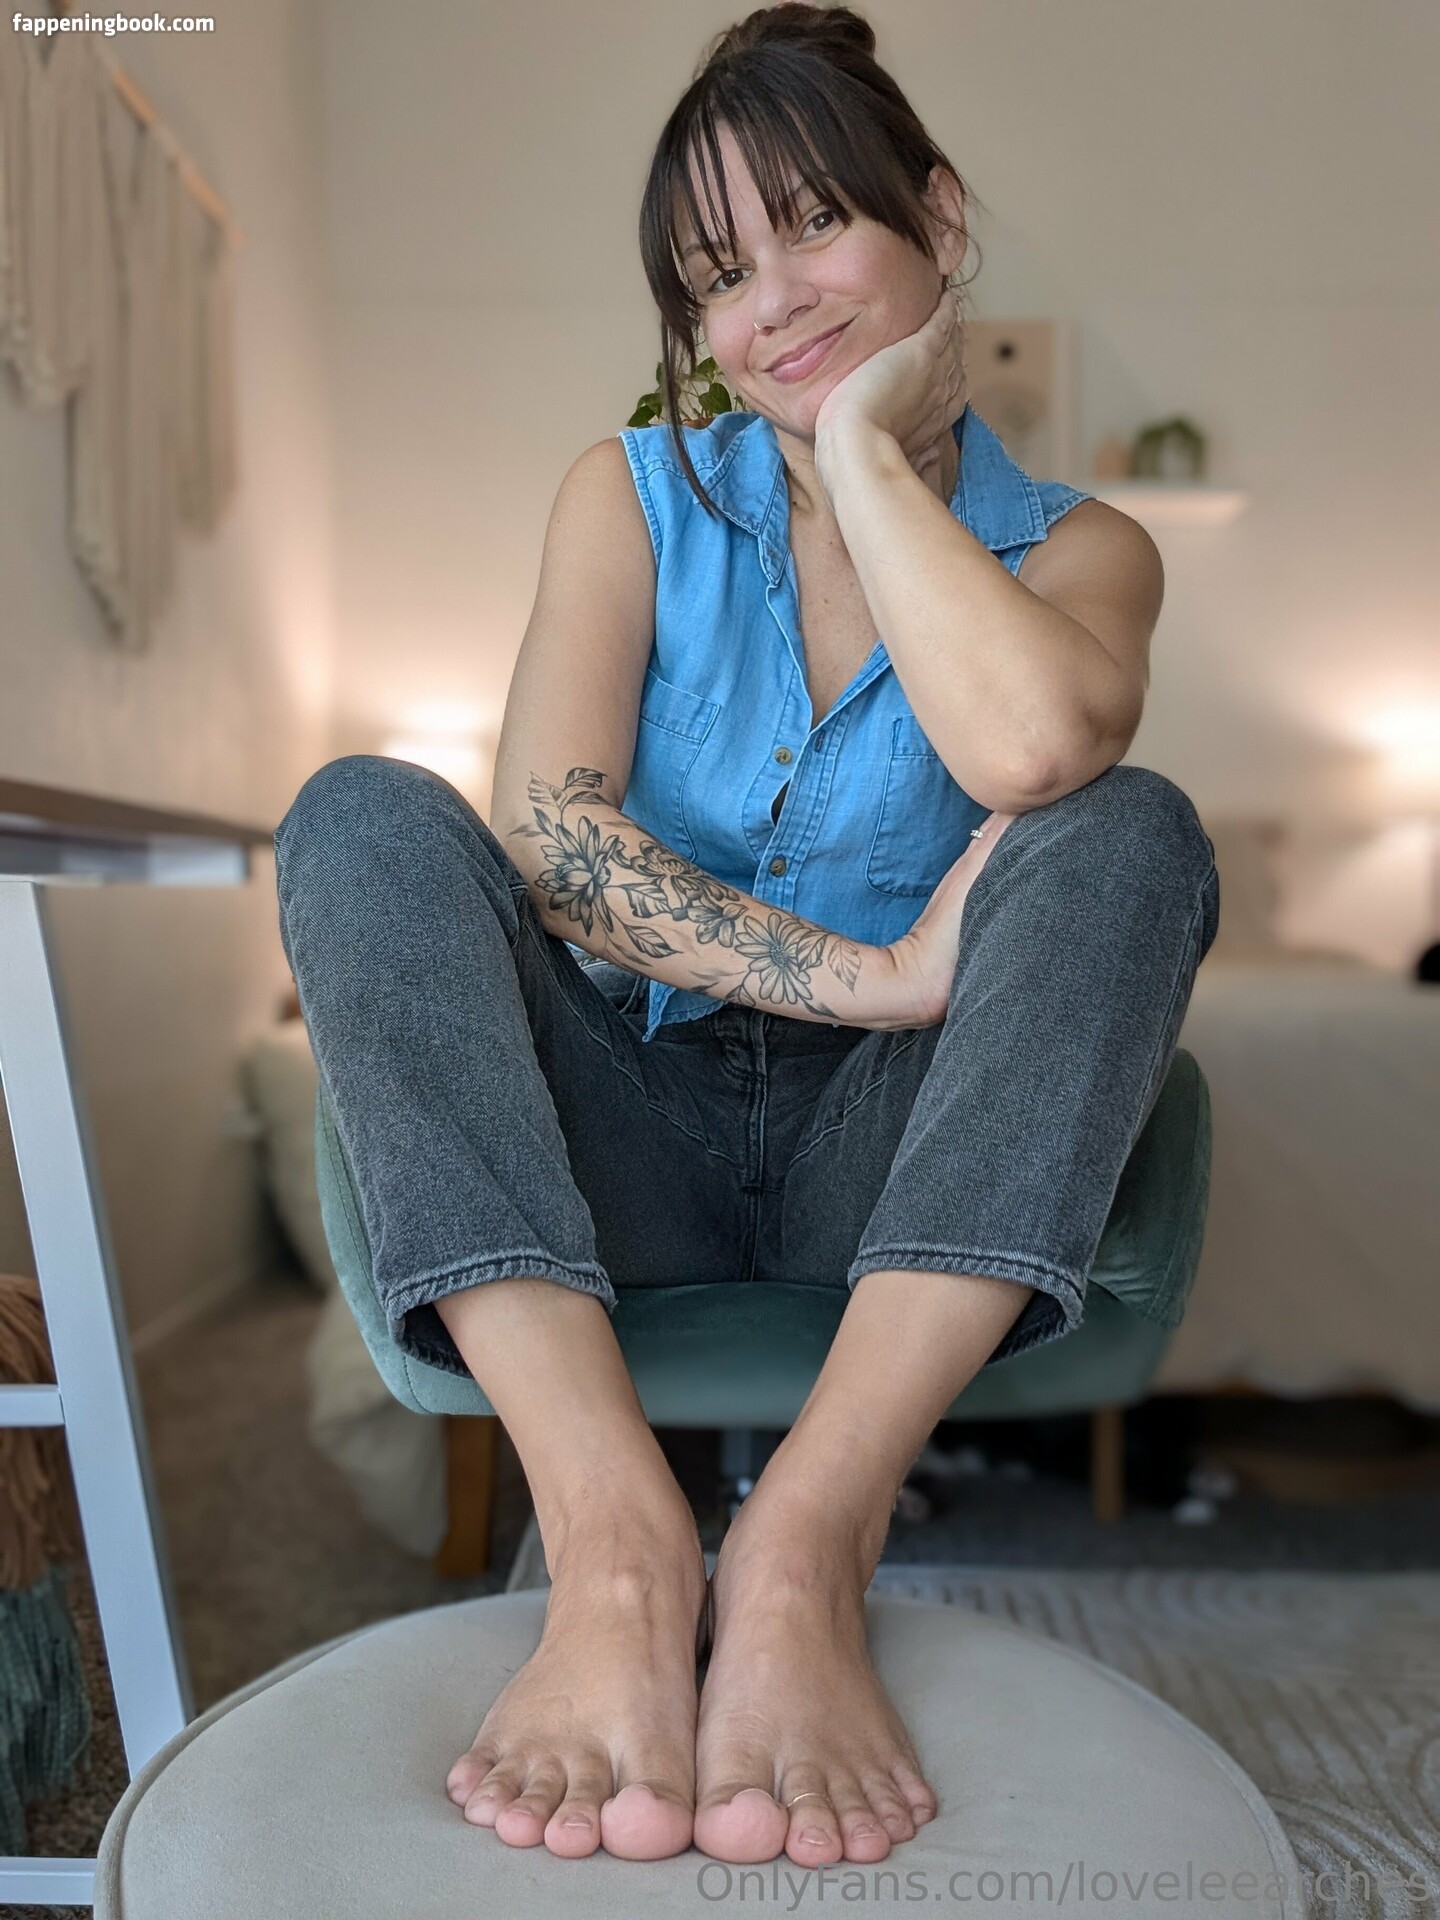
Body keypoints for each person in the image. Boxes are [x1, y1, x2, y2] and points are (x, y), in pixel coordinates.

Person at [273, 0, 1219, 1873]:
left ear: (939, 216)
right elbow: (557, 843)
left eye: (814, 226)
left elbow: (1038, 751)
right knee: (362, 814)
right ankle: (619, 1547)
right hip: (625, 1130)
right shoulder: (626, 500)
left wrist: (866, 454)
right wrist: (876, 974)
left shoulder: (1085, 549)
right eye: (717, 275)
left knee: (1129, 833)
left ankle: (802, 1548)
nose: (770, 303)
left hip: (903, 1163)